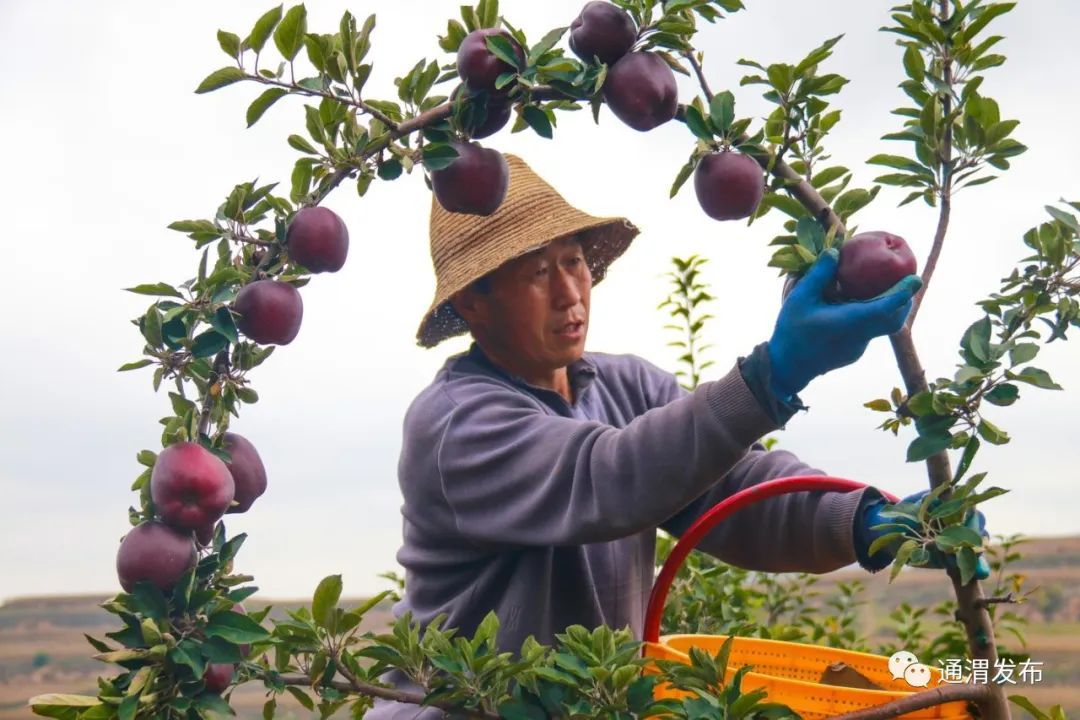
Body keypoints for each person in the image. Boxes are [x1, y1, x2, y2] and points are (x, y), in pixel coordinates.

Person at [367, 155, 984, 719]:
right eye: (536, 274)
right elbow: (607, 478)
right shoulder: (456, 425)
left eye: (574, 263)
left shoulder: (625, 385)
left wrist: (867, 521)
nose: (569, 294)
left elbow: (734, 489)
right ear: (474, 304)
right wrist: (773, 375)